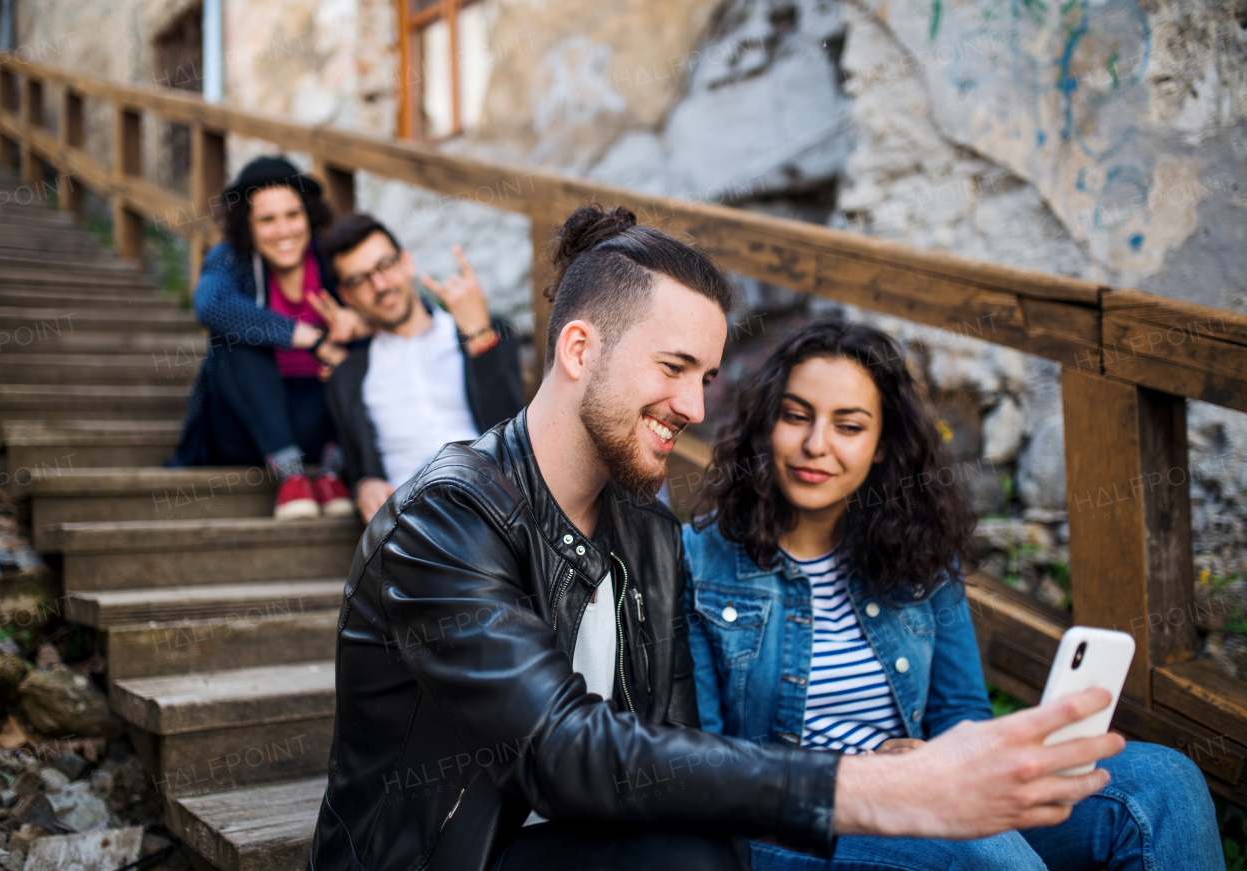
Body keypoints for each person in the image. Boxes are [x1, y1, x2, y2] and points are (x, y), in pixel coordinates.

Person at [310, 206, 1125, 871]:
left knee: (1145, 790)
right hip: (440, 859)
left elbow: (671, 752)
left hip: (588, 842)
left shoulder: (645, 529)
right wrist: (877, 786)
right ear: (579, 347)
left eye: (705, 376)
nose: (697, 406)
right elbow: (559, 751)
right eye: (674, 367)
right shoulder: (446, 520)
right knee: (690, 859)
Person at [683, 319, 1223, 870]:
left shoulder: (917, 550)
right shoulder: (699, 561)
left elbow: (960, 713)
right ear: (765, 425)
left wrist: (937, 761)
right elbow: (706, 760)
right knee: (984, 854)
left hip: (926, 795)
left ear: (881, 447)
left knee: (1163, 784)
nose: (816, 445)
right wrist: (872, 774)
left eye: (849, 427)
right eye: (796, 416)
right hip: (787, 828)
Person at [172, 156, 354, 520]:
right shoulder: (231, 257)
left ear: (309, 216)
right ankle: (291, 477)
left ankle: (334, 474)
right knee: (230, 340)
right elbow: (210, 304)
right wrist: (308, 337)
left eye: (293, 215)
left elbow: (392, 306)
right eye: (267, 219)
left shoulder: (331, 259)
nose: (283, 230)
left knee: (369, 341)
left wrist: (359, 323)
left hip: (320, 418)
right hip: (246, 429)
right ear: (248, 226)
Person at [315, 214, 525, 523]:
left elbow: (518, 441)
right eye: (361, 280)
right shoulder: (347, 377)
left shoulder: (480, 331)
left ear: (407, 262)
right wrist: (364, 484)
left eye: (385, 265)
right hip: (415, 521)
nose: (381, 285)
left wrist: (479, 339)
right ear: (347, 296)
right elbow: (358, 466)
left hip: (495, 503)